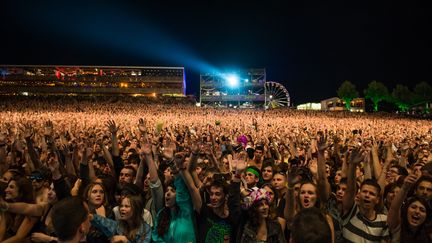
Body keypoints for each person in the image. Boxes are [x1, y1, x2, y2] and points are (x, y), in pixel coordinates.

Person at [387, 172, 432, 242]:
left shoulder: (429, 235)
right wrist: (404, 187)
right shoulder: (398, 227)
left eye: (422, 210)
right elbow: (394, 208)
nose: (417, 211)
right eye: (413, 207)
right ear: (406, 210)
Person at [0, 176, 38, 242]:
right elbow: (3, 225)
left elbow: (18, 237)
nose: (6, 190)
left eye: (11, 187)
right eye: (7, 186)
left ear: (22, 191)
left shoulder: (32, 211)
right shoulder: (7, 205)